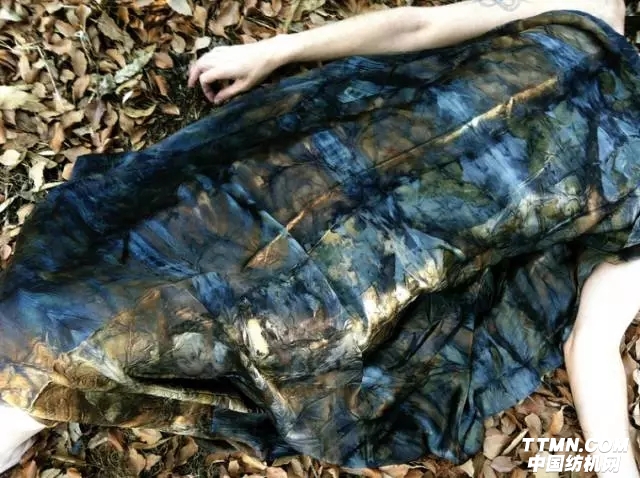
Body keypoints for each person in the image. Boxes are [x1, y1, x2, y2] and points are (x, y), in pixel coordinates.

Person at [0, 0, 637, 477]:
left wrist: (617, 468)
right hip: (315, 168)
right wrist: (278, 49)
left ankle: (30, 405)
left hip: (376, 273)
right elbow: (418, 27)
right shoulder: (587, 10)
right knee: (133, 258)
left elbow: (593, 341)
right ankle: (29, 400)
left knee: (229, 327)